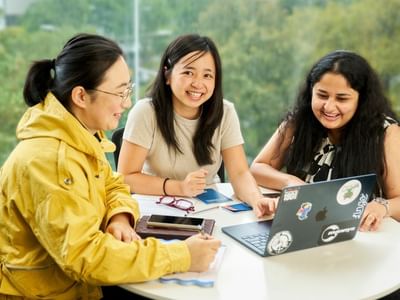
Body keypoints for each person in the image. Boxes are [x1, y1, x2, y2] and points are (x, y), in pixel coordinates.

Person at [0, 33, 220, 299]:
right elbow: (86, 258)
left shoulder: (80, 136)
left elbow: (113, 183)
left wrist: (119, 217)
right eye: (119, 92)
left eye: (127, 91)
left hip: (80, 284)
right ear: (81, 96)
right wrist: (183, 256)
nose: (126, 103)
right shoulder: (50, 162)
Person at [118, 34, 276, 218]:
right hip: (157, 207)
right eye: (188, 72)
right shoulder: (146, 112)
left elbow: (240, 174)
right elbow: (126, 177)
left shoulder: (225, 112)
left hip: (209, 209)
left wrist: (257, 199)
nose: (198, 83)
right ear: (167, 75)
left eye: (207, 75)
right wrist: (180, 188)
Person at [250, 50, 400, 232]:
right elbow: (258, 168)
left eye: (342, 98)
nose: (329, 107)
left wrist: (383, 207)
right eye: (321, 95)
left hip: (362, 235)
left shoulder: (386, 132)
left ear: (361, 100)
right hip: (304, 229)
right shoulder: (298, 121)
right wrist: (291, 182)